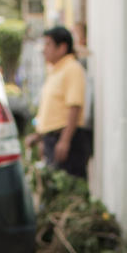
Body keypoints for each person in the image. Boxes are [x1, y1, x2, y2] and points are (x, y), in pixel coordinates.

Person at [34, 26, 91, 178]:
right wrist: (40, 137)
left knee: (70, 190)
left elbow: (75, 106)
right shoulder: (55, 70)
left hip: (66, 140)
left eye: (48, 45)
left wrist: (65, 141)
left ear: (62, 47)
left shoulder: (72, 68)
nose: (44, 49)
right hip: (52, 140)